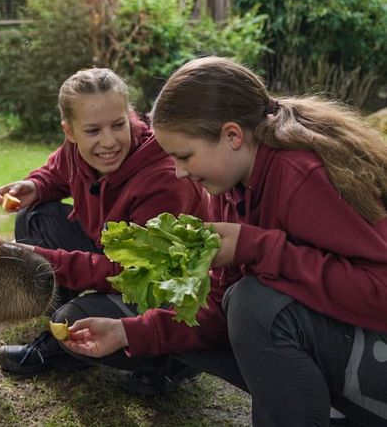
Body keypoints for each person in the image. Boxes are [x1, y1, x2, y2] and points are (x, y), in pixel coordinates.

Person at [62, 56, 387, 426]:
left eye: (185, 157)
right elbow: (215, 306)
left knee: (253, 305)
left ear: (232, 136)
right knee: (207, 319)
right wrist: (127, 331)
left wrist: (257, 247)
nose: (180, 172)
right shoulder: (229, 185)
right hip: (346, 349)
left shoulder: (300, 174)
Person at [0, 67, 209, 395]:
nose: (108, 142)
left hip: (165, 287)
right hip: (112, 253)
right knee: (33, 215)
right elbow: (58, 171)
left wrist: (47, 259)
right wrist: (35, 185)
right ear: (70, 131)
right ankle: (63, 346)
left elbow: (134, 272)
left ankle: (174, 359)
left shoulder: (164, 178)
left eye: (118, 125)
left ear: (130, 116)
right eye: (93, 130)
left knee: (71, 317)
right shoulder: (77, 149)